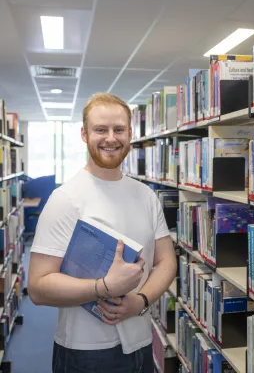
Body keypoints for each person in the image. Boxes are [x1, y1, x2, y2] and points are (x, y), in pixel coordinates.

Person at [28, 93, 177, 373]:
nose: (111, 138)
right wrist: (104, 287)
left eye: (119, 129)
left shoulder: (146, 196)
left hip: (142, 342)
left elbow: (167, 262)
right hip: (85, 353)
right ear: (84, 134)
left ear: (130, 133)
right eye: (100, 129)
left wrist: (140, 301)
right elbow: (37, 286)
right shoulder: (65, 199)